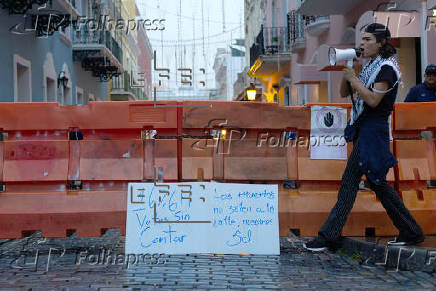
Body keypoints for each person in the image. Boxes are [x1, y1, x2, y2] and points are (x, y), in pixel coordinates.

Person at [303, 23, 424, 252]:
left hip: (374, 130)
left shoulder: (387, 69)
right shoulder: (370, 68)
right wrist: (348, 71)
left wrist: (355, 78)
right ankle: (411, 230)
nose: (362, 44)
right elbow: (342, 92)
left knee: (352, 182)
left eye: (368, 39)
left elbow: (372, 100)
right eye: (362, 39)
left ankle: (329, 235)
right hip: (365, 129)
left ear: (381, 43)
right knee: (375, 182)